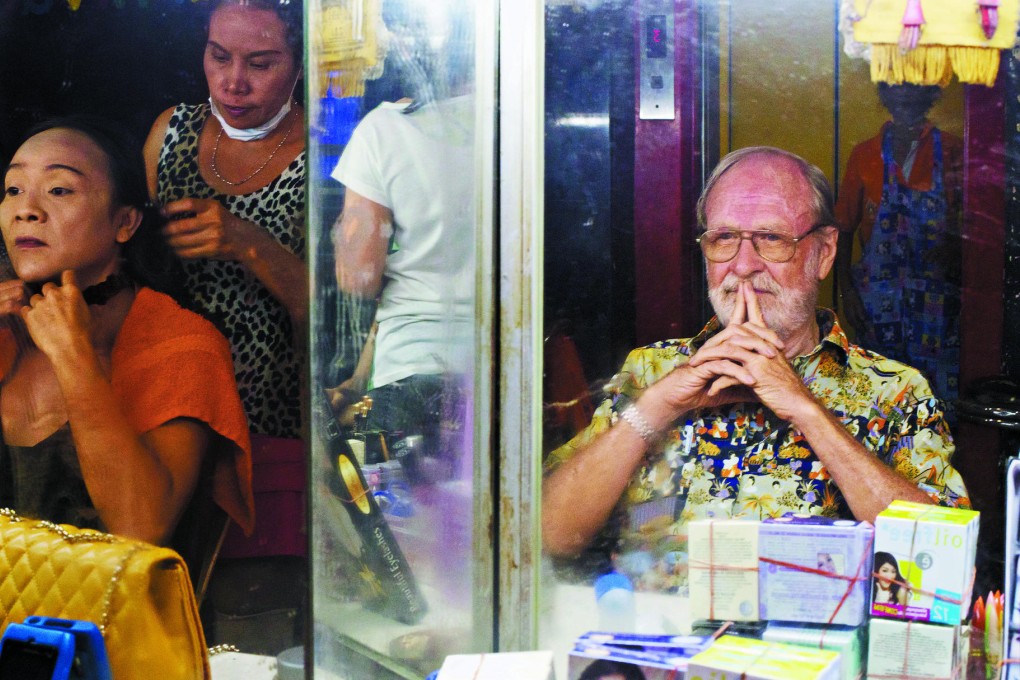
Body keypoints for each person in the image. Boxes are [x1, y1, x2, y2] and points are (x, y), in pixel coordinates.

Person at [542, 147, 969, 592]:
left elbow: (941, 565)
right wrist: (655, 408)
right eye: (723, 238)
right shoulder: (651, 370)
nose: (743, 266)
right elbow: (550, 535)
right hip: (661, 652)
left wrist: (805, 410)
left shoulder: (895, 392)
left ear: (823, 253)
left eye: (771, 238)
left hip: (812, 659)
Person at [0, 116, 254, 547]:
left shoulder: (183, 344)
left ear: (126, 223)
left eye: (59, 190)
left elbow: (141, 528)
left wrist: (73, 356)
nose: (27, 209)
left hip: (111, 610)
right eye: (13, 190)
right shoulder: (8, 325)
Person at [143, 0, 306, 650]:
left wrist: (250, 243)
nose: (234, 82)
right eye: (219, 56)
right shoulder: (170, 133)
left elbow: (346, 320)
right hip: (175, 427)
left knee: (249, 634)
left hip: (274, 442)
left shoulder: (330, 148)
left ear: (299, 64)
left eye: (261, 63)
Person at [328, 3, 474, 481]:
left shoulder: (385, 130)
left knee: (409, 544)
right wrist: (355, 382)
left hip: (409, 376)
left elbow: (361, 280)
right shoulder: (518, 125)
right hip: (503, 368)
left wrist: (340, 236)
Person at [835, 83, 963, 417]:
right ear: (884, 95)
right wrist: (846, 293)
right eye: (895, 88)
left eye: (913, 88)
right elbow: (842, 230)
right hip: (877, 303)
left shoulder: (952, 150)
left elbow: (979, 227)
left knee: (936, 402)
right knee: (878, 402)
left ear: (929, 95)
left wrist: (957, 248)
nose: (904, 96)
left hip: (936, 305)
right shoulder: (864, 154)